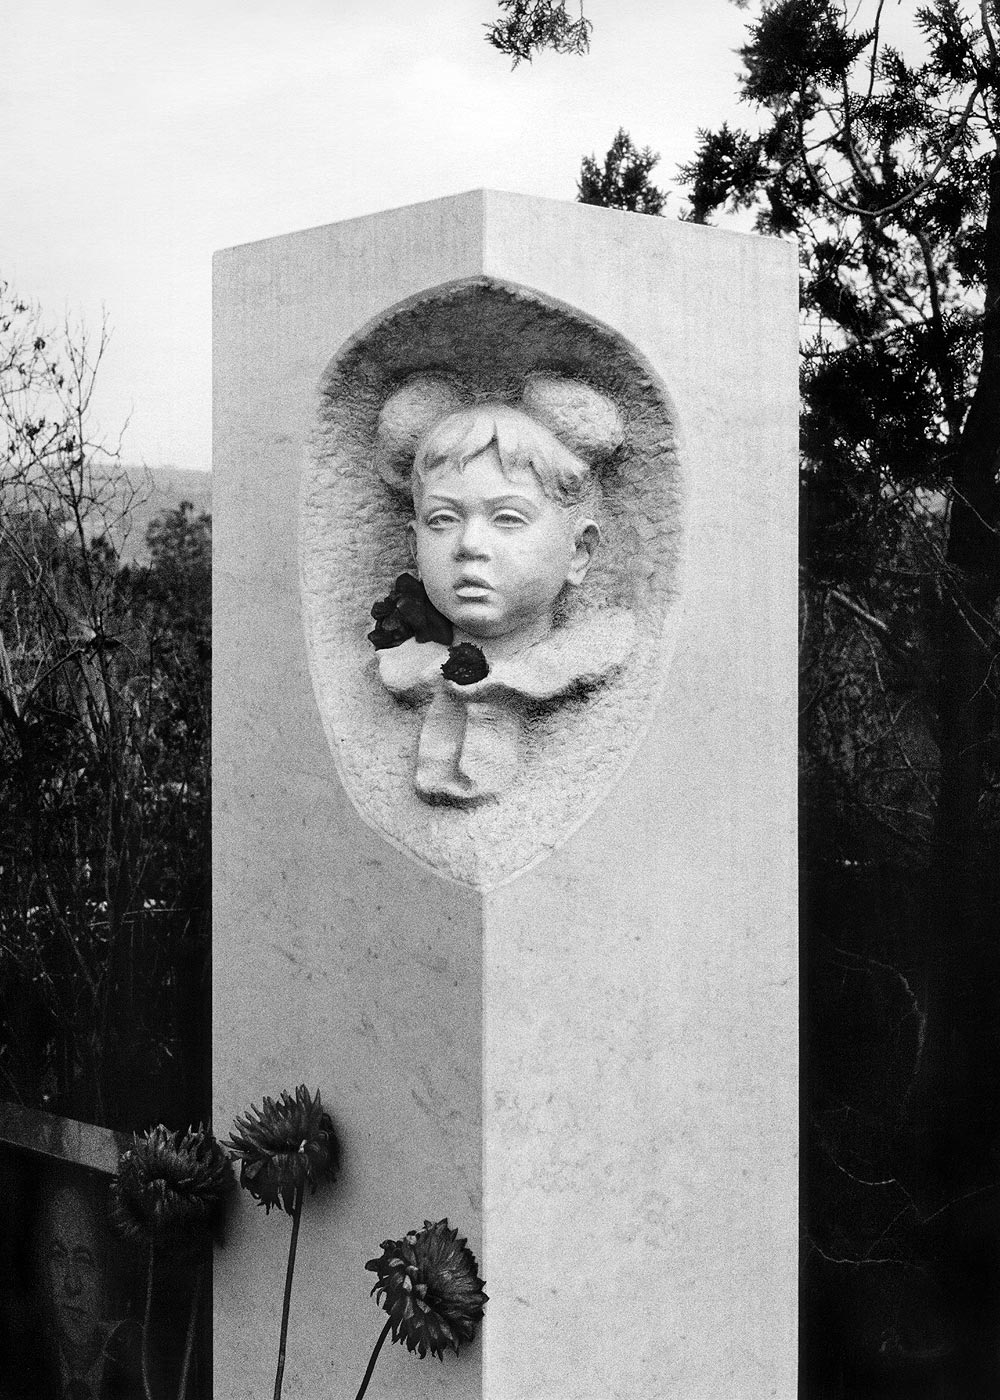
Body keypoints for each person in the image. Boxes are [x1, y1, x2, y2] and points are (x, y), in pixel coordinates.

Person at [375, 398, 635, 803]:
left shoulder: (587, 661)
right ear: (414, 550)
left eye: (508, 518)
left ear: (580, 551)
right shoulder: (404, 670)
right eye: (443, 519)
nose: (469, 545)